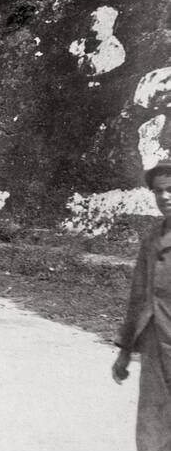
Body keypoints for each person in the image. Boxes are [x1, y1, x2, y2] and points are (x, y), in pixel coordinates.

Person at [113, 160, 171, 450]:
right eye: (158, 191)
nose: (165, 197)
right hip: (155, 347)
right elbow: (138, 298)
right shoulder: (151, 240)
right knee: (153, 431)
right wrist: (124, 351)